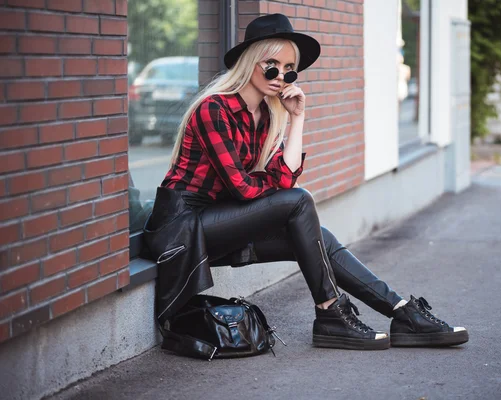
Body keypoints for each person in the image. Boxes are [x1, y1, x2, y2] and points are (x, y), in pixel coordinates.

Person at [144, 13, 468, 353]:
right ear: (250, 63)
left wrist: (297, 118)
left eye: (288, 69)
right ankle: (330, 311)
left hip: (223, 221)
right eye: (271, 64)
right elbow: (247, 189)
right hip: (183, 229)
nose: (279, 75)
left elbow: (281, 180)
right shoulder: (214, 109)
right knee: (299, 202)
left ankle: (403, 313)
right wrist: (276, 192)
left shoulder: (266, 115)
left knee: (317, 237)